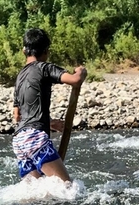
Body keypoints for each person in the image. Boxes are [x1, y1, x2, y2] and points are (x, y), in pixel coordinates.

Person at [12, 28, 87, 182]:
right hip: (35, 139)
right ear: (46, 51)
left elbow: (18, 116)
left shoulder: (19, 77)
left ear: (23, 51)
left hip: (19, 141)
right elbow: (75, 80)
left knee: (38, 194)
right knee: (67, 188)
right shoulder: (44, 68)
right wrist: (81, 72)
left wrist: (49, 123)